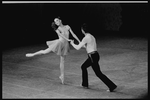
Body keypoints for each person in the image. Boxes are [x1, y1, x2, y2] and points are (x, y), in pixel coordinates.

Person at [26, 17, 80, 84]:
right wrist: (68, 40)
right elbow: (61, 35)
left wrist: (79, 41)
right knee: (45, 52)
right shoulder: (57, 29)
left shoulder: (67, 26)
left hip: (65, 45)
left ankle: (62, 76)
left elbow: (73, 34)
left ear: (60, 20)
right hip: (59, 43)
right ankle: (33, 54)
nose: (56, 22)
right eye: (55, 22)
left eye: (57, 20)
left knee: (62, 61)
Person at [70, 24, 117, 92]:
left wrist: (72, 43)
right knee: (84, 67)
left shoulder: (86, 38)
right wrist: (81, 44)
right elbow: (87, 47)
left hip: (92, 57)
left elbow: (77, 48)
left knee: (98, 73)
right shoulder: (91, 36)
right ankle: (85, 84)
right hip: (95, 55)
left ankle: (111, 86)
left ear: (83, 30)